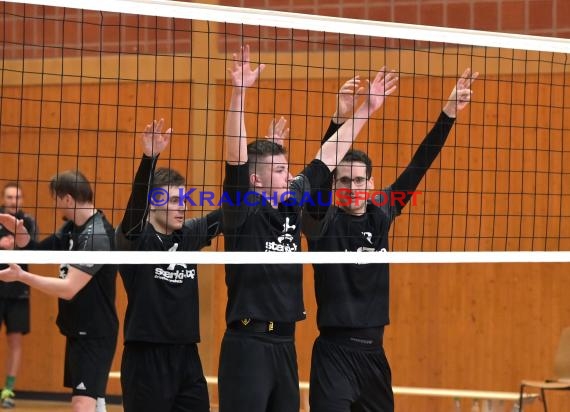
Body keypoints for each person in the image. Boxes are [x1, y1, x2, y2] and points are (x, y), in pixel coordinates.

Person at [219, 44, 398, 412]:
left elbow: (329, 158)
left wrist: (366, 110)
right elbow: (235, 156)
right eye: (281, 170)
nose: (290, 175)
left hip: (286, 345)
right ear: (255, 178)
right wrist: (239, 94)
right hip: (247, 344)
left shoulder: (293, 201)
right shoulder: (242, 211)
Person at [303, 68, 478, 412]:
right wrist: (340, 118)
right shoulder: (323, 220)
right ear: (335, 186)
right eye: (344, 181)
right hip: (333, 354)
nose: (352, 188)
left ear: (370, 184)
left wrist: (448, 114)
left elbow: (419, 165)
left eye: (358, 181)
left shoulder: (382, 211)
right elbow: (321, 169)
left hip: (373, 354)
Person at [115, 119, 222, 412]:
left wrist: (255, 175)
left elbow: (229, 214)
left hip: (187, 354)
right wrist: (149, 158)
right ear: (153, 203)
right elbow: (134, 209)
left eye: (184, 199)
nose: (182, 205)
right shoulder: (134, 238)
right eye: (173, 200)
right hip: (145, 356)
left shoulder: (188, 235)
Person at [0, 171, 118, 412]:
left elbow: (68, 288)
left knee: (82, 405)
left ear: (67, 199)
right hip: (77, 330)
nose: (55, 205)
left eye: (56, 199)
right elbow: (37, 250)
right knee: (91, 402)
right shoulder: (71, 229)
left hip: (95, 335)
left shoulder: (96, 236)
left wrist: (22, 276)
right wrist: (20, 234)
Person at [0, 183, 38, 408]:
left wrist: (19, 243)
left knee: (15, 341)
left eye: (18, 197)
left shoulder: (29, 222)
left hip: (18, 291)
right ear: (4, 199)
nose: (14, 200)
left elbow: (34, 247)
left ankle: (7, 391)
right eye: (10, 197)